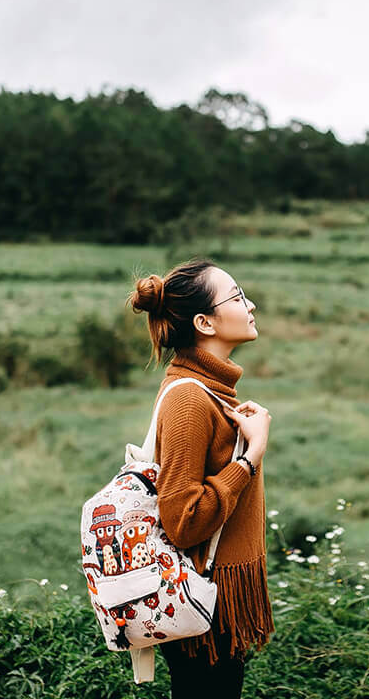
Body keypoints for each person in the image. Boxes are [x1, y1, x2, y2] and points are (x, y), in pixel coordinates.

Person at [129, 259, 274, 699]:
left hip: (216, 595)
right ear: (203, 322)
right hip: (202, 596)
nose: (250, 305)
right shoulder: (190, 399)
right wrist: (249, 457)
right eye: (236, 297)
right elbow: (183, 519)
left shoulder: (208, 389)